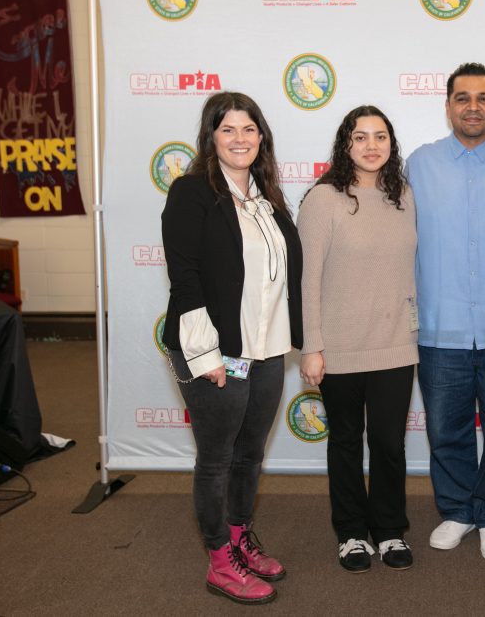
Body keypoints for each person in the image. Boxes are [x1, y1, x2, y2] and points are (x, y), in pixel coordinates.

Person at [161, 91, 302, 604]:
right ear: (211, 138)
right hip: (213, 351)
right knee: (217, 459)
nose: (239, 139)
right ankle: (219, 560)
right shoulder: (192, 192)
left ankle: (241, 536)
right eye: (228, 130)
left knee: (249, 456)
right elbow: (186, 278)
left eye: (248, 129)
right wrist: (205, 354)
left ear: (261, 137)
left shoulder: (267, 199)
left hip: (265, 349)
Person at [405, 62, 485, 562]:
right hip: (440, 329)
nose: (473, 107)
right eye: (463, 97)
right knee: (446, 429)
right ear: (448, 106)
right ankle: (457, 509)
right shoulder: (418, 165)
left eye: (483, 97)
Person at [297, 105, 418, 573]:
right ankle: (350, 533)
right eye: (361, 137)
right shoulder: (324, 199)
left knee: (389, 443)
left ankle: (389, 531)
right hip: (338, 349)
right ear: (345, 144)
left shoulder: (403, 195)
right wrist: (312, 345)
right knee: (346, 442)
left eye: (381, 136)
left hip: (395, 344)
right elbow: (308, 280)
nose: (372, 146)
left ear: (391, 144)